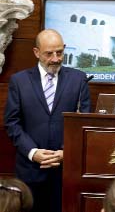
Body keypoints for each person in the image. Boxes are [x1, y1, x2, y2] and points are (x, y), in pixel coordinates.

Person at [4, 29, 91, 212]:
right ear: (36, 52)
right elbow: (12, 123)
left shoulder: (78, 79)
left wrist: (66, 152)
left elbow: (84, 124)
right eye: (49, 53)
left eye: (59, 52)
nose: (55, 58)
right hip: (30, 171)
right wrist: (33, 152)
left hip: (66, 172)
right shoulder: (19, 81)